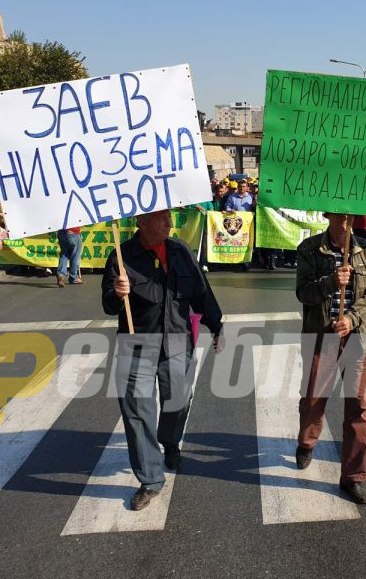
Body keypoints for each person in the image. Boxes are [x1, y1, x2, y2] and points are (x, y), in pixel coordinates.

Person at [103, 208, 224, 511]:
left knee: (179, 399)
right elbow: (107, 304)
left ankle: (170, 441)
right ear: (142, 223)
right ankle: (150, 479)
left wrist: (217, 325)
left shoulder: (180, 250)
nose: (169, 223)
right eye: (162, 218)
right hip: (137, 344)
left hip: (177, 341)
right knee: (137, 412)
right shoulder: (120, 256)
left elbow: (200, 291)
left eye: (169, 218)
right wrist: (117, 294)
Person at [295, 213, 366, 505]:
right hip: (321, 337)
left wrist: (352, 319)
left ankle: (353, 477)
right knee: (313, 399)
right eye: (340, 214)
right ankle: (307, 442)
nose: (345, 220)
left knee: (358, 407)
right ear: (328, 214)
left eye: (350, 215)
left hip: (357, 338)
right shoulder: (309, 249)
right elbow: (304, 293)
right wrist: (331, 281)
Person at [223, 179, 255, 271]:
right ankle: (237, 262)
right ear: (238, 187)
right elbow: (227, 207)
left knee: (247, 242)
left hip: (248, 224)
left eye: (244, 186)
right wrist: (230, 210)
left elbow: (254, 208)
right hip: (236, 225)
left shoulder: (251, 197)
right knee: (237, 242)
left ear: (247, 188)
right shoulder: (232, 197)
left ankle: (247, 262)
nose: (242, 188)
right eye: (240, 186)